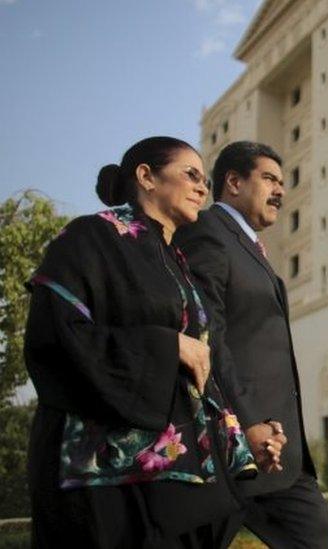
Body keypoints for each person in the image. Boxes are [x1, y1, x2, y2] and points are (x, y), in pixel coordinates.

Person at [23, 137, 275, 548]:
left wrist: (240, 434)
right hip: (104, 483)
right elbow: (53, 336)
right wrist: (168, 345)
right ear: (146, 177)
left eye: (205, 183)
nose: (201, 188)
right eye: (190, 175)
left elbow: (202, 366)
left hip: (183, 477)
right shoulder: (91, 236)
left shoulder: (179, 265)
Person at [175, 141, 328, 548]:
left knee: (317, 537)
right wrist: (245, 421)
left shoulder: (250, 247)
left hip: (277, 453)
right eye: (268, 179)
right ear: (233, 181)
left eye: (282, 182)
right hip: (234, 444)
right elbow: (207, 333)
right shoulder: (207, 232)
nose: (280, 190)